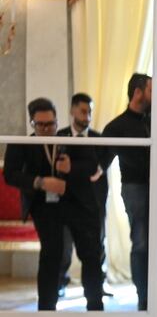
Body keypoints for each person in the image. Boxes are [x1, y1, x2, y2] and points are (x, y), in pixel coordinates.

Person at [2, 97, 105, 311]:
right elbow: (10, 175)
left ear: (57, 120)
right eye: (41, 125)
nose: (47, 129)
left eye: (51, 123)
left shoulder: (71, 138)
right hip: (44, 206)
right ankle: (46, 311)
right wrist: (40, 182)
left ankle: (95, 307)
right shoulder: (23, 144)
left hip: (77, 203)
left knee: (90, 253)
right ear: (32, 123)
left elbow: (93, 164)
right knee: (51, 255)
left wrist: (71, 168)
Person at [100, 74, 152, 311]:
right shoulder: (116, 127)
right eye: (152, 88)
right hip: (135, 190)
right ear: (138, 93)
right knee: (141, 242)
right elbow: (99, 164)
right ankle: (144, 298)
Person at [57, 93, 110, 297]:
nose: (87, 116)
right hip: (64, 203)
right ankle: (60, 284)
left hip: (93, 204)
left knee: (97, 246)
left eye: (90, 112)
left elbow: (101, 169)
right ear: (72, 111)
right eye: (83, 111)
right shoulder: (59, 136)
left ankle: (97, 288)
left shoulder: (99, 140)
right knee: (63, 248)